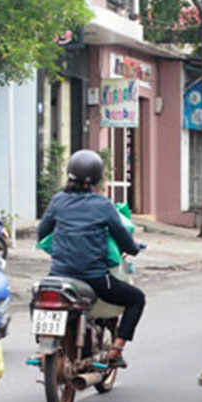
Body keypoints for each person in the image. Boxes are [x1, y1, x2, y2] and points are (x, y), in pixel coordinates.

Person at [37, 149, 145, 368]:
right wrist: (134, 248)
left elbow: (42, 233)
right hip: (94, 279)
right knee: (137, 299)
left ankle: (42, 344)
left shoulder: (58, 201)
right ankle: (116, 350)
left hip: (59, 276)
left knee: (40, 299)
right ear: (98, 178)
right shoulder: (103, 205)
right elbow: (123, 239)